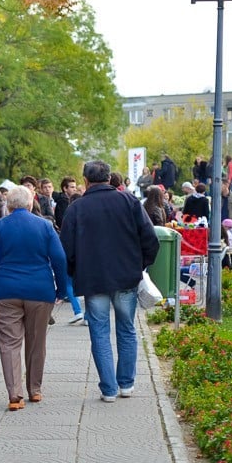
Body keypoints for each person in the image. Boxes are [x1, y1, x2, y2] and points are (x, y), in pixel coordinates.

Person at [60, 160, 159, 402]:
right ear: (108, 178)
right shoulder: (129, 201)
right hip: (126, 276)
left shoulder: (77, 208)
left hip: (93, 279)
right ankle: (126, 383)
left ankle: (109, 388)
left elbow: (67, 248)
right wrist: (140, 264)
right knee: (126, 328)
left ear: (85, 181)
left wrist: (74, 272)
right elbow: (150, 238)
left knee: (100, 331)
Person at [0, 186, 68, 411]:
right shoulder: (45, 226)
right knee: (37, 341)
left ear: (8, 206)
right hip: (40, 290)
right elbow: (58, 258)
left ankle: (14, 395)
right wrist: (61, 290)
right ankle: (35, 390)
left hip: (5, 289)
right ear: (30, 204)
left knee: (9, 343)